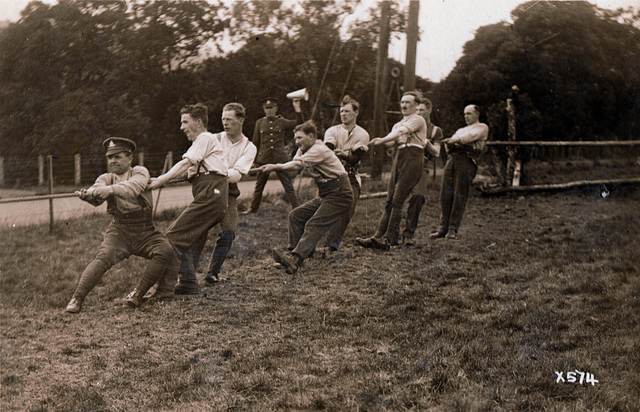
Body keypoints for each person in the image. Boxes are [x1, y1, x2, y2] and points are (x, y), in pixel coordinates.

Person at [65, 137, 178, 313]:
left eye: (117, 157)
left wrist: (107, 190)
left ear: (129, 158)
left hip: (145, 230)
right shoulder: (105, 178)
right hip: (119, 229)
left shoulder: (139, 172)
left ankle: (138, 294)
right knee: (103, 258)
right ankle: (76, 298)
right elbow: (98, 195)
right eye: (110, 158)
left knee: (165, 250)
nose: (113, 161)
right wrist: (89, 196)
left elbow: (132, 188)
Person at [147, 103, 228, 295]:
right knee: (186, 237)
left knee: (174, 236)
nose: (181, 127)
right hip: (210, 193)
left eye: (185, 122)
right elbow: (188, 173)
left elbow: (185, 164)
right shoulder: (203, 143)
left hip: (211, 192)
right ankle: (187, 282)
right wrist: (162, 180)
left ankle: (169, 286)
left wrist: (160, 180)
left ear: (198, 123)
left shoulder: (204, 137)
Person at [265, 121, 353, 274]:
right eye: (295, 138)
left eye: (300, 138)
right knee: (296, 215)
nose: (297, 141)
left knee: (315, 223)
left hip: (340, 193)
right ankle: (296, 253)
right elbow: (294, 166)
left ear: (311, 137)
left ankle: (295, 260)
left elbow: (293, 165)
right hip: (326, 193)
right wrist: (291, 157)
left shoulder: (318, 149)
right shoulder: (306, 149)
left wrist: (275, 166)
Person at [356, 91, 427, 250]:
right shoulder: (398, 124)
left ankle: (389, 239)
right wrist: (372, 143)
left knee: (398, 198)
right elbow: (391, 141)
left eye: (408, 102)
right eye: (402, 102)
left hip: (414, 157)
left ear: (416, 106)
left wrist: (383, 139)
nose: (404, 105)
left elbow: (399, 133)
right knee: (390, 198)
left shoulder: (417, 119)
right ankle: (377, 236)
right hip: (400, 156)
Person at [196, 103, 257, 284]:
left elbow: (236, 175)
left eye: (229, 119)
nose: (225, 123)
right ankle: (186, 275)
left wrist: (215, 171)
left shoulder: (249, 147)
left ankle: (212, 273)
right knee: (197, 231)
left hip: (228, 192)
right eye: (223, 119)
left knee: (228, 231)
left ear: (240, 120)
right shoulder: (213, 139)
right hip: (207, 189)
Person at [430, 104, 489, 240]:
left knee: (459, 194)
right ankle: (443, 228)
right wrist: (451, 143)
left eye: (469, 113)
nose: (466, 116)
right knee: (445, 193)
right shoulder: (460, 129)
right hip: (453, 159)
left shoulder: (482, 127)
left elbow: (469, 137)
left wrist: (454, 141)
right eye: (465, 114)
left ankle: (453, 228)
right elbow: (451, 144)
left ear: (477, 114)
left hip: (467, 161)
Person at [321, 95, 370, 257]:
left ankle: (330, 246)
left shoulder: (362, 134)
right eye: (342, 111)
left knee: (348, 209)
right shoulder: (332, 130)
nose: (343, 114)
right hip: (331, 176)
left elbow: (356, 159)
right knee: (320, 210)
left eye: (347, 111)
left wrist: (343, 154)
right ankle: (305, 244)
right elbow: (328, 149)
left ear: (356, 113)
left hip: (350, 176)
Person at [245, 97, 303, 213]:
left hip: (279, 159)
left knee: (288, 185)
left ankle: (296, 208)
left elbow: (299, 124)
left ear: (276, 108)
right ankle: (253, 208)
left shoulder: (281, 121)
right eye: (266, 108)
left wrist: (297, 108)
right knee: (259, 186)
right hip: (263, 159)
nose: (269, 110)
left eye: (271, 108)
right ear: (263, 109)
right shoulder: (259, 123)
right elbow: (255, 142)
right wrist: (253, 159)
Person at [401, 98, 444, 246]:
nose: (418, 112)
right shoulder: (407, 125)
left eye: (422, 110)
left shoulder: (435, 130)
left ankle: (408, 233)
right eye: (417, 110)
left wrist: (424, 141)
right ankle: (388, 234)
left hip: (421, 166)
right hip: (404, 165)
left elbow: (437, 152)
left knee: (418, 196)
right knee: (394, 198)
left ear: (429, 110)